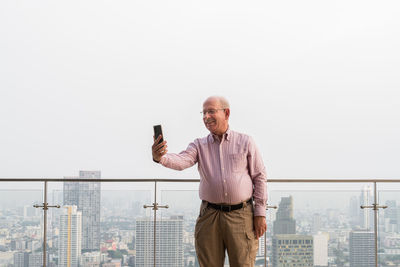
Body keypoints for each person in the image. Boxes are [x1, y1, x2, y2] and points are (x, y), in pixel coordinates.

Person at [152, 96, 267, 267]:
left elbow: (259, 176)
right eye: (204, 113)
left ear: (226, 113)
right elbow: (182, 161)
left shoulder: (245, 142)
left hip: (241, 216)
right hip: (209, 216)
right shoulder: (199, 145)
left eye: (211, 111)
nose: (206, 116)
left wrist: (260, 213)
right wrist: (160, 157)